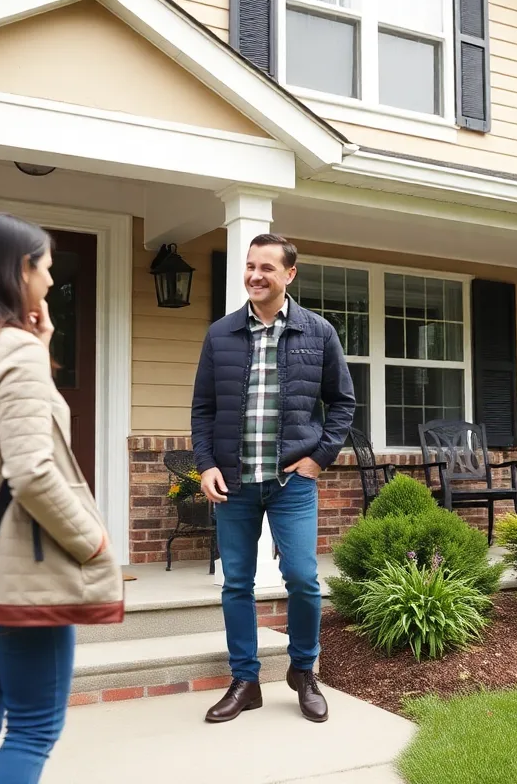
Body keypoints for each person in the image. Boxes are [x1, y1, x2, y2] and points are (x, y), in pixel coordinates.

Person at [0, 213, 123, 784]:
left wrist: (43, 347)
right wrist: (91, 540)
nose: (52, 283)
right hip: (20, 577)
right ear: (20, 270)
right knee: (32, 730)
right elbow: (32, 470)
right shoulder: (13, 353)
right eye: (47, 268)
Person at [191, 233, 356, 724]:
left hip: (291, 483)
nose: (255, 275)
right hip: (235, 484)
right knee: (236, 584)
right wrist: (205, 464)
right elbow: (203, 408)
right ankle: (245, 680)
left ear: (289, 274)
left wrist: (319, 459)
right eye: (249, 266)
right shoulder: (220, 334)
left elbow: (343, 403)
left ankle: (303, 671)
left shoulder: (318, 332)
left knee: (303, 580)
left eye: (266, 267)